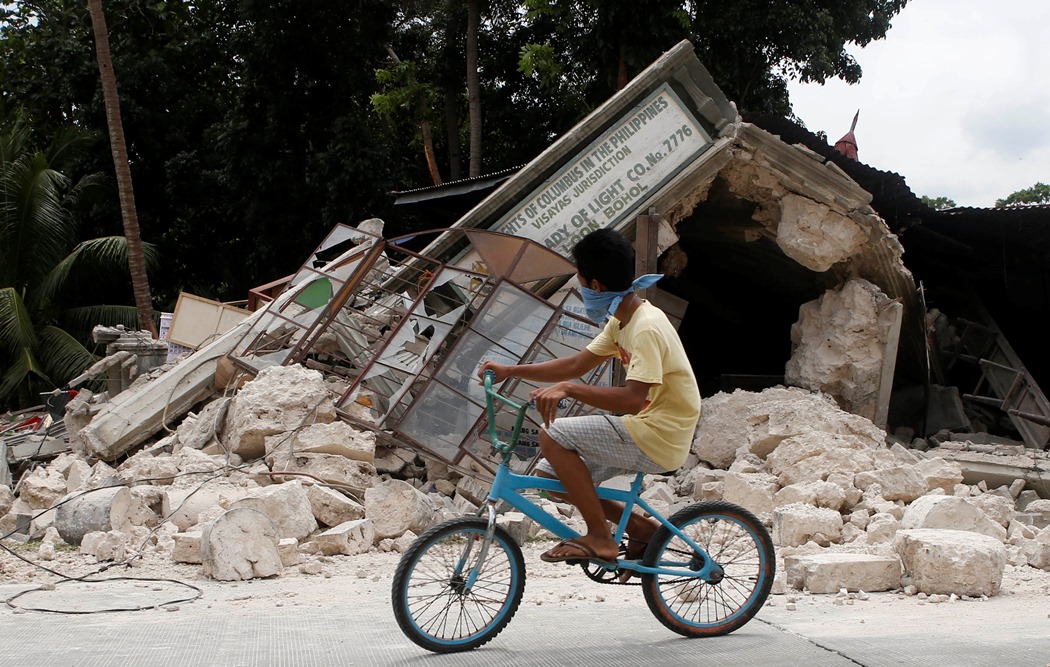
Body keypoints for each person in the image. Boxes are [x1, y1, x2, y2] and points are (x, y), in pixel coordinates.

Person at [477, 228, 701, 568]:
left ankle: (600, 537)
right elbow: (576, 363)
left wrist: (570, 388)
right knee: (551, 478)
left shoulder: (646, 327)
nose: (581, 288)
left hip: (660, 433)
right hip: (646, 426)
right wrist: (512, 370)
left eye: (580, 281)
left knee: (553, 434)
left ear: (595, 286)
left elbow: (631, 399)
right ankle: (641, 527)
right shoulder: (623, 318)